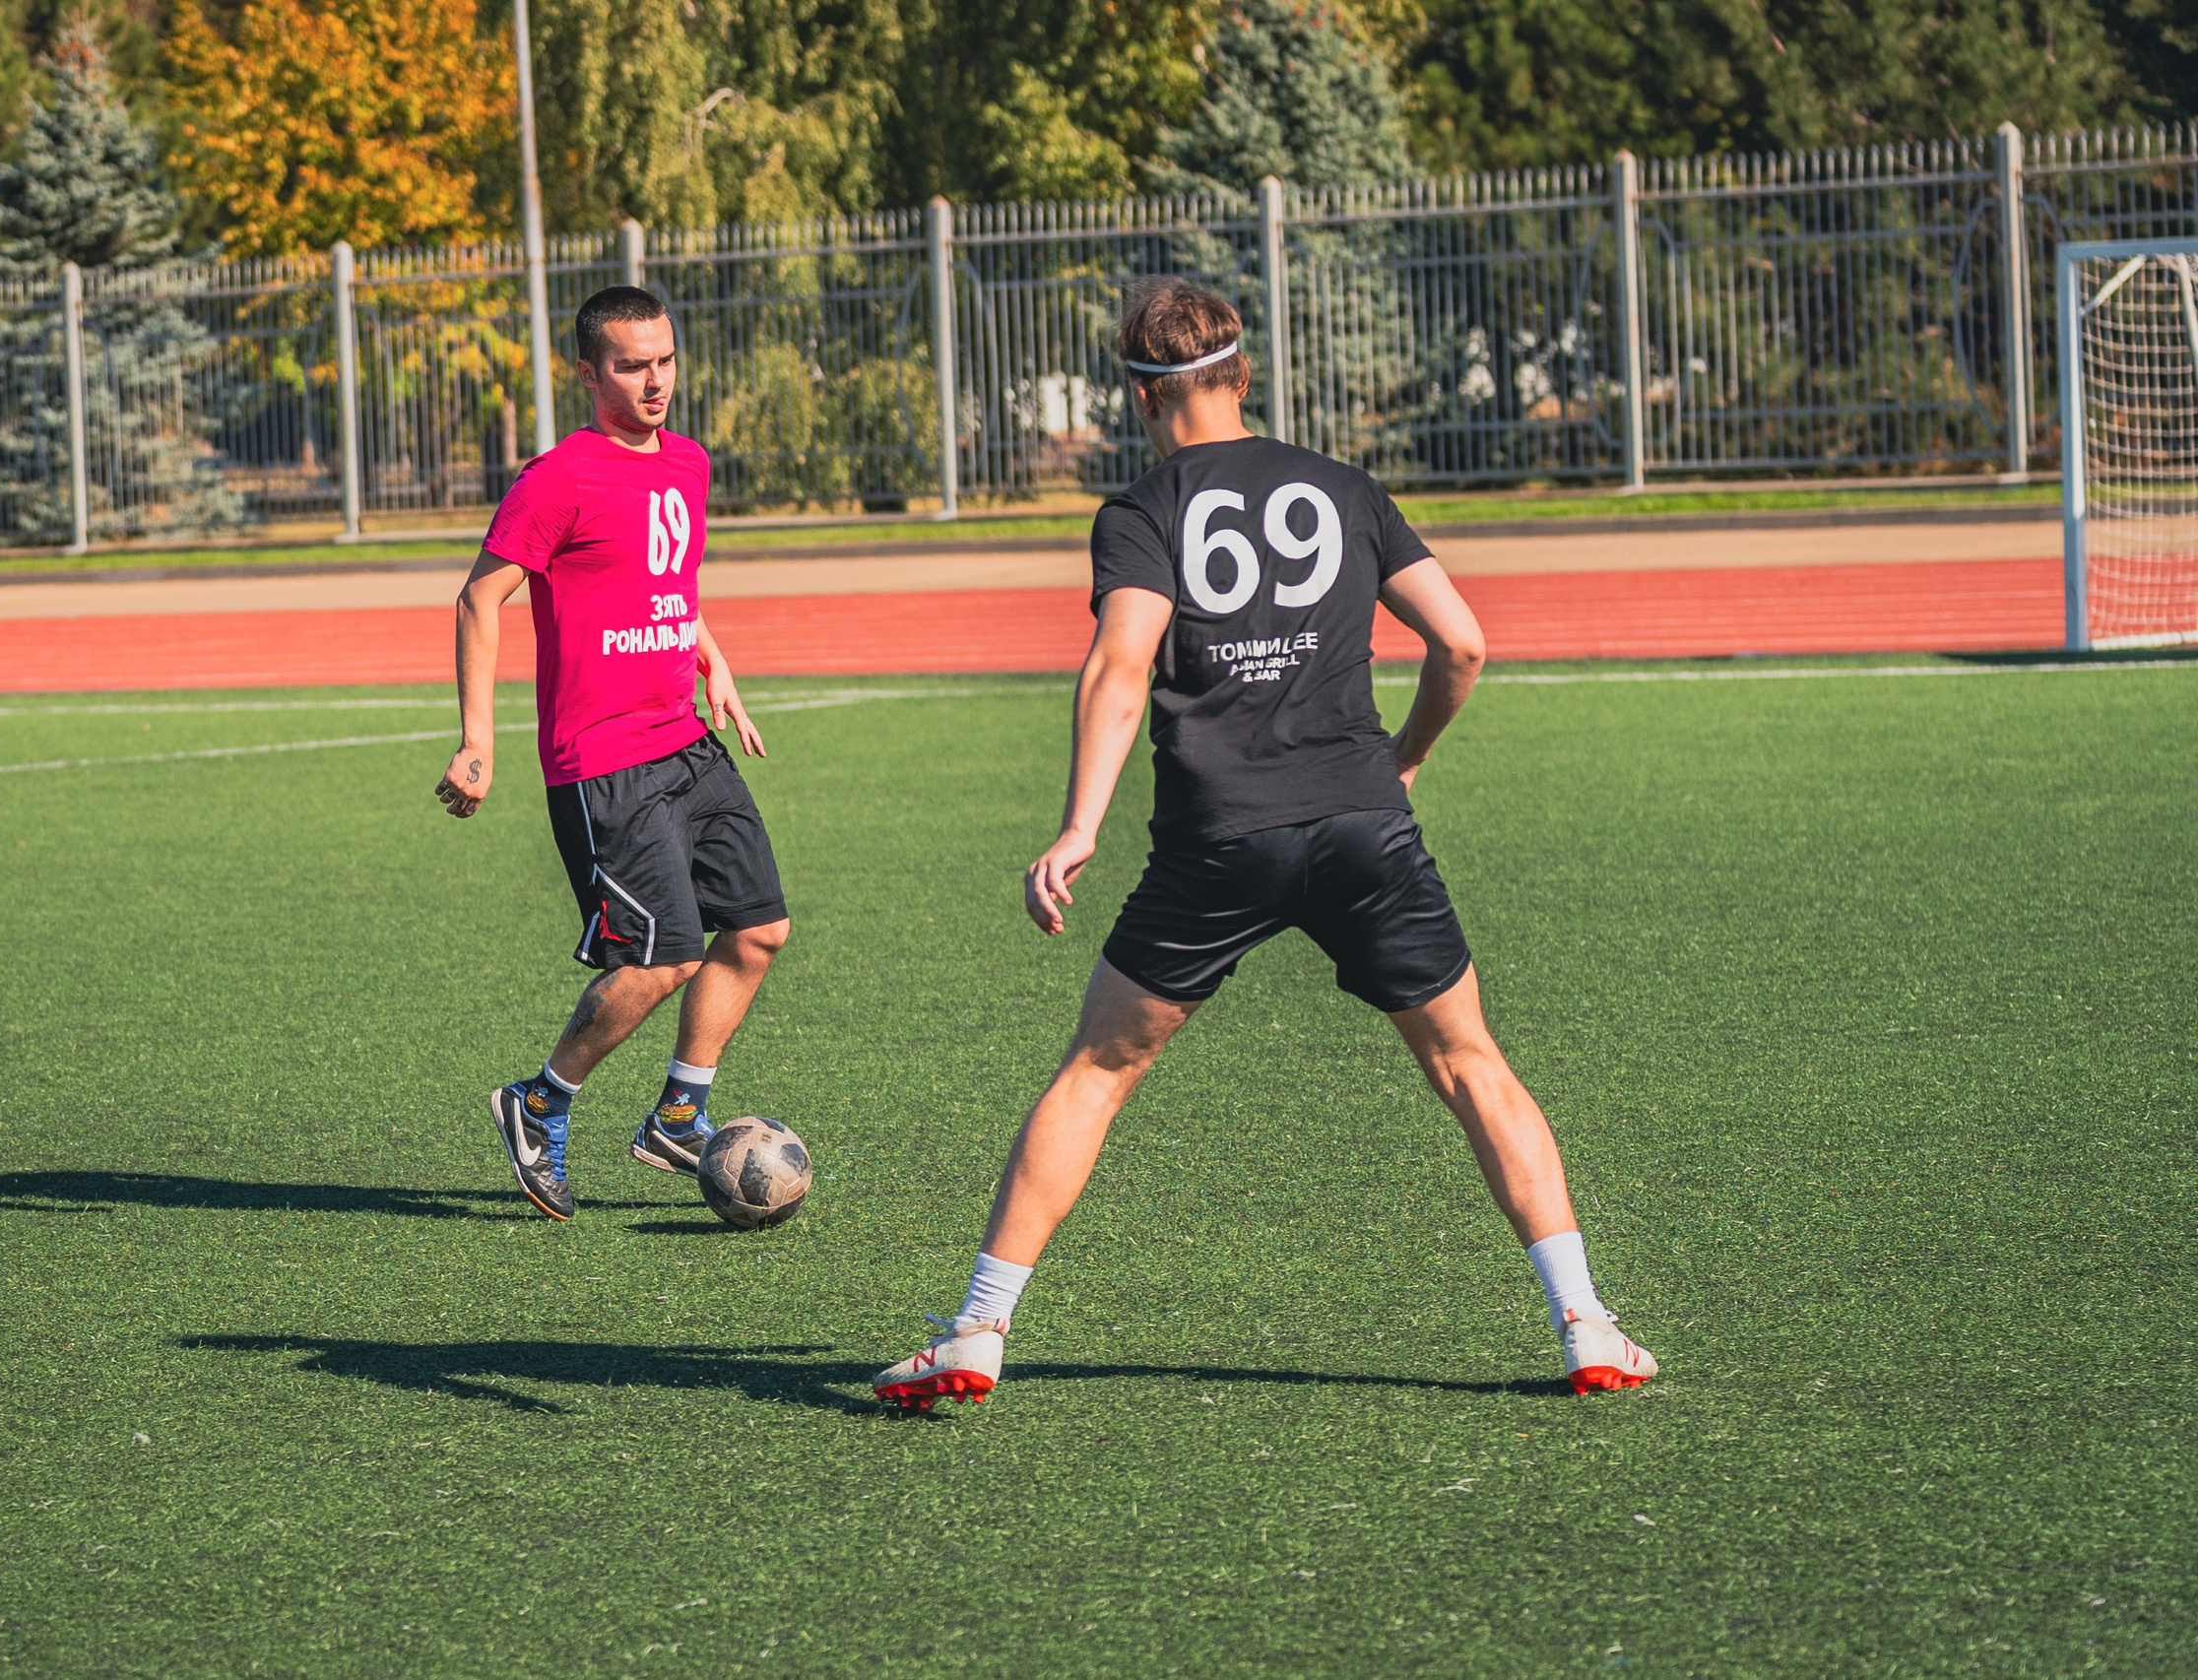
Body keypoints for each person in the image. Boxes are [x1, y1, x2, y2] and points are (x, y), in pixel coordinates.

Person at [873, 279, 1657, 1406]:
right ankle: (1585, 1319)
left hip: (1215, 839)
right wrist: (1405, 754)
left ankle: (978, 1329)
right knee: (1468, 1062)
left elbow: (1120, 664)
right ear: (1244, 377)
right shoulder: (1343, 488)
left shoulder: (1140, 510)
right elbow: (1464, 644)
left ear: (1140, 395)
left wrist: (1079, 823)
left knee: (1098, 1069)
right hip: (1359, 821)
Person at [435, 286, 790, 1223]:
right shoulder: (560, 477)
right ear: (589, 373)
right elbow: (478, 600)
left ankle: (680, 1112)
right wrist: (478, 741)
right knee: (663, 956)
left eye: (665, 359)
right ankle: (540, 1100)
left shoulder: (688, 463)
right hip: (604, 763)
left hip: (687, 738)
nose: (654, 380)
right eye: (631, 365)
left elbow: (668, 579)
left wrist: (713, 660)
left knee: (756, 929)